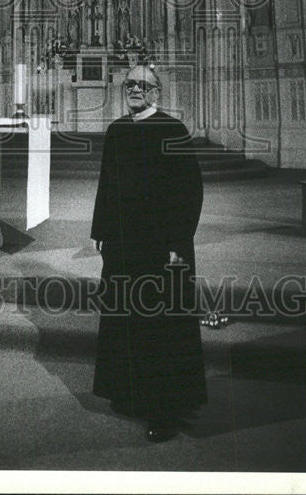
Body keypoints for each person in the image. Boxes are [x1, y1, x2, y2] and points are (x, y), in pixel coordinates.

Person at [91, 65, 206, 442]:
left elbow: (189, 192)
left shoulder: (172, 130)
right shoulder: (117, 130)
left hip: (160, 245)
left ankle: (165, 410)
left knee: (159, 325)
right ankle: (130, 393)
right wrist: (101, 233)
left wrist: (177, 243)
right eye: (130, 85)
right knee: (127, 316)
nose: (135, 90)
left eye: (142, 85)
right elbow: (107, 185)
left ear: (156, 92)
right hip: (124, 244)